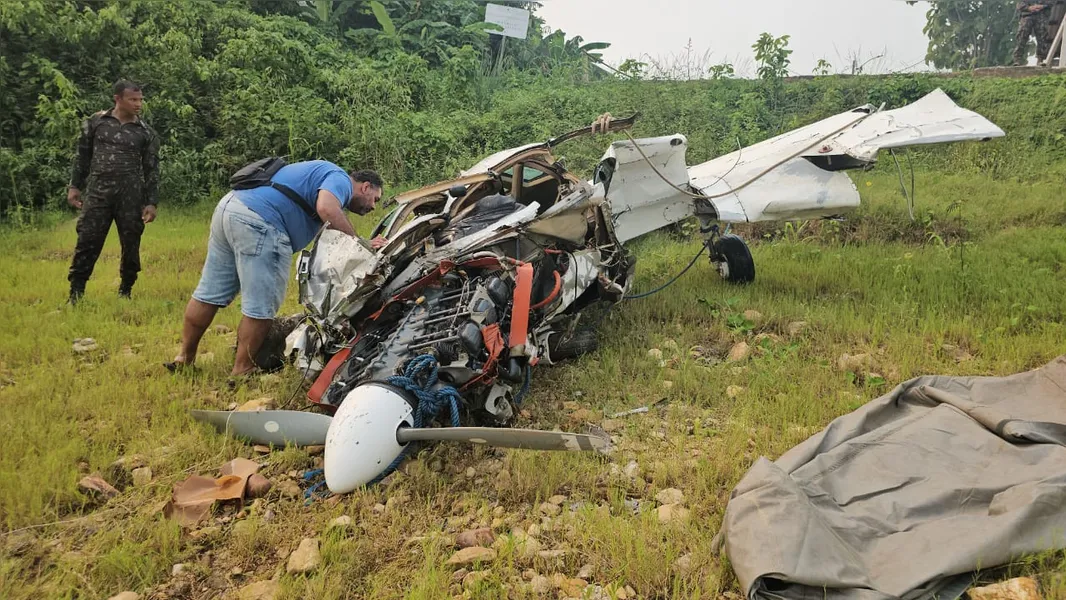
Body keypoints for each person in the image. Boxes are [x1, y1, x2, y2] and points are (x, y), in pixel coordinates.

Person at [168, 161, 386, 377]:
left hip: (231, 208)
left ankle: (185, 358)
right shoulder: (340, 179)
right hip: (261, 221)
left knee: (209, 293)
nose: (373, 206)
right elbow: (326, 208)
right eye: (375, 198)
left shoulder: (320, 176)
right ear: (365, 186)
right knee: (261, 305)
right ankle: (243, 369)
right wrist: (360, 243)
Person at [67, 79, 160, 303]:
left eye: (140, 100)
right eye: (133, 99)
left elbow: (152, 169)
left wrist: (151, 202)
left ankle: (125, 291)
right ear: (117, 99)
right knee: (87, 240)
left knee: (131, 244)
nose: (138, 104)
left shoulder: (145, 132)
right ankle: (76, 294)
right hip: (98, 192)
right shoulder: (96, 122)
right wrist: (74, 186)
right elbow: (83, 157)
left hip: (131, 195)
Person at [1013, 1, 1053, 66]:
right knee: (1022, 37)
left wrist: (1042, 6)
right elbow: (1020, 4)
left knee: (1042, 38)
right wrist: (1029, 8)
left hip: (1041, 15)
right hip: (1027, 15)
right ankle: (1017, 59)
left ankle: (1041, 59)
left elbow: (1051, 3)